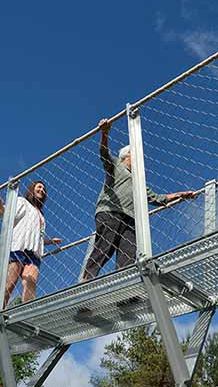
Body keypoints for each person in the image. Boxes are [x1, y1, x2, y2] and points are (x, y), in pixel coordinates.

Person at [81, 119, 196, 280]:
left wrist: (180, 194)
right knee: (105, 247)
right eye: (136, 156)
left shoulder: (139, 181)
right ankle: (87, 279)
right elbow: (104, 154)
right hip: (111, 212)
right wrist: (105, 133)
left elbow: (157, 198)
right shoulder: (116, 165)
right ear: (126, 156)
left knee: (128, 254)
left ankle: (123, 286)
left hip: (130, 219)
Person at [0, 181, 62, 305]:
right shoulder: (22, 202)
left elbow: (37, 238)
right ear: (31, 190)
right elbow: (3, 213)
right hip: (17, 246)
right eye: (39, 187)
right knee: (9, 284)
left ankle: (26, 313)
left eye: (44, 189)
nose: (42, 190)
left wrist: (50, 241)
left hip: (33, 252)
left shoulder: (41, 216)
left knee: (30, 282)